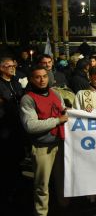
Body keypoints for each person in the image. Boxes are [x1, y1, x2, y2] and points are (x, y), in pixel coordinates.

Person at [20, 65, 68, 216]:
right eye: (38, 77)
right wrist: (57, 121)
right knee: (42, 185)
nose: (42, 80)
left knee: (62, 180)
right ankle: (41, 213)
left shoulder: (55, 94)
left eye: (44, 76)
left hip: (60, 143)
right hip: (42, 147)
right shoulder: (27, 99)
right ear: (31, 79)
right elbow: (31, 126)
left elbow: (64, 112)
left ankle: (65, 207)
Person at [0, 57, 25, 204]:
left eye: (13, 65)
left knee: (18, 156)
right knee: (6, 159)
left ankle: (18, 184)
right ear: (2, 68)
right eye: (9, 66)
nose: (12, 68)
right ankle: (8, 190)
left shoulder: (16, 82)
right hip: (4, 126)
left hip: (17, 125)